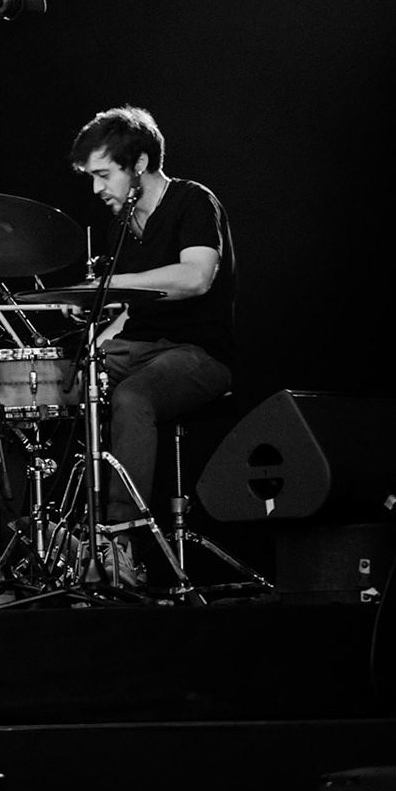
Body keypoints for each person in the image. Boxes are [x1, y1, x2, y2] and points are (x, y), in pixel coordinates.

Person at [69, 106, 236, 585]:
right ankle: (62, 534)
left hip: (199, 354)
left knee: (131, 397)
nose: (98, 188)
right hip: (141, 345)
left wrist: (114, 282)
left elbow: (196, 277)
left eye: (104, 174)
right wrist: (92, 332)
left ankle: (120, 541)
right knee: (64, 386)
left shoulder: (193, 201)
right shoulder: (120, 229)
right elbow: (130, 313)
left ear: (138, 164)